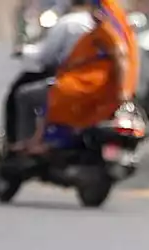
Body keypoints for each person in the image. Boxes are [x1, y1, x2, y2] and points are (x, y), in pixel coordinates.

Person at [13, 0, 138, 154]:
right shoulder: (107, 29)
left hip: (85, 85)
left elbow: (45, 55)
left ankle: (34, 143)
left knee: (30, 95)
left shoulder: (105, 29)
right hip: (93, 84)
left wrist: (123, 93)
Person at [10, 0, 95, 152]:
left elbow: (46, 55)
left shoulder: (68, 23)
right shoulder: (102, 24)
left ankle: (26, 145)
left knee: (24, 95)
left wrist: (23, 50)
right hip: (99, 85)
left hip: (73, 84)